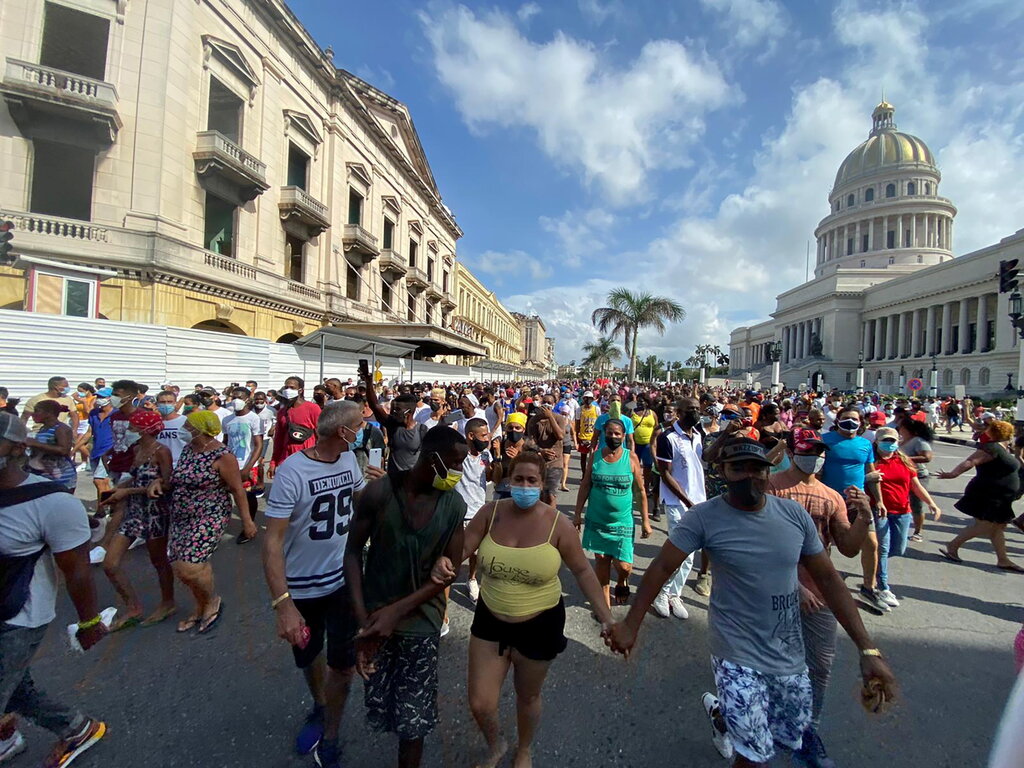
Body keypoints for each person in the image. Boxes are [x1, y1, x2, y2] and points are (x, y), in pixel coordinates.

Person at [605, 438, 898, 768]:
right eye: (738, 468)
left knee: (786, 738)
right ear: (722, 472)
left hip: (788, 656)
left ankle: (721, 715)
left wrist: (867, 649)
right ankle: (732, 716)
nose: (749, 476)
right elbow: (661, 566)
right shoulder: (704, 518)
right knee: (754, 757)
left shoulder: (793, 516)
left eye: (757, 468)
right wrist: (631, 623)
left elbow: (830, 580)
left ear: (768, 472)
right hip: (735, 655)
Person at [432, 449, 614, 768]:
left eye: (532, 480)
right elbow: (461, 549)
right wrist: (443, 562)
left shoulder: (558, 524)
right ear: (508, 480)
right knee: (480, 702)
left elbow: (583, 571)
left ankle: (524, 749)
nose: (525, 486)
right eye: (519, 479)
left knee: (527, 695)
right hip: (490, 620)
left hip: (540, 624)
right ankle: (496, 744)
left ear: (542, 484)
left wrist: (607, 617)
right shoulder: (490, 513)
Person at [263, 401, 384, 768]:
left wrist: (379, 490)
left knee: (343, 663)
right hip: (301, 587)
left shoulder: (349, 460)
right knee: (308, 654)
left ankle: (331, 733)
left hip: (343, 578)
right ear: (341, 431)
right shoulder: (292, 472)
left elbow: (356, 497)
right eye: (359, 426)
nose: (363, 430)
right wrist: (282, 604)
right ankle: (319, 704)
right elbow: (271, 542)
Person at [344, 426, 467, 768]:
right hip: (374, 622)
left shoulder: (454, 504)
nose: (459, 470)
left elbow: (450, 571)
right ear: (433, 458)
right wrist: (363, 623)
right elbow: (352, 553)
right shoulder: (380, 494)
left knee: (414, 722)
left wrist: (395, 612)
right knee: (381, 705)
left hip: (421, 625)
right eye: (456, 462)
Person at [0, 413, 108, 766]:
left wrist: (89, 622)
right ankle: (72, 729)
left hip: (18, 616)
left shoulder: (53, 503)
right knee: (14, 686)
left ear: (17, 448)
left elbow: (77, 572)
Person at [765, 428, 873, 767]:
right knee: (771, 664)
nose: (815, 455)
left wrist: (865, 517)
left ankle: (807, 733)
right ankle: (757, 723)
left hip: (821, 591)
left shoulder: (832, 496)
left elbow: (848, 547)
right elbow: (761, 543)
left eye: (819, 450)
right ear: (794, 452)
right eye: (808, 449)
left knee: (819, 666)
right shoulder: (772, 487)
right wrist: (794, 587)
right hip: (774, 589)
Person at [148, 410, 255, 634]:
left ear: (199, 430)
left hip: (209, 515)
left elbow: (237, 489)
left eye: (188, 426)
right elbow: (176, 480)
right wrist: (159, 481)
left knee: (191, 566)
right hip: (181, 515)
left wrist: (247, 521)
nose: (184, 429)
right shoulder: (189, 450)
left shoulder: (223, 456)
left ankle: (211, 601)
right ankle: (200, 604)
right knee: (179, 565)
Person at [97, 409, 176, 629]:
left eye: (133, 427)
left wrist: (128, 492)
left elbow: (167, 484)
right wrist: (119, 489)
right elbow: (135, 475)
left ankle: (168, 602)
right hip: (134, 512)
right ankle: (133, 607)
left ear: (143, 429)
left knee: (159, 561)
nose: (129, 430)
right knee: (110, 563)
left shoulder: (162, 451)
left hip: (155, 513)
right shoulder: (137, 449)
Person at [574, 418, 651, 607]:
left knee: (623, 566)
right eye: (609, 433)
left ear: (624, 436)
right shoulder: (596, 456)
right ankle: (604, 604)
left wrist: (645, 521)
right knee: (601, 559)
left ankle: (622, 581)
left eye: (617, 434)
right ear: (604, 435)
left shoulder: (631, 457)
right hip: (597, 519)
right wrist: (577, 514)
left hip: (622, 522)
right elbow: (585, 485)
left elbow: (640, 491)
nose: (613, 437)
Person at [821, 408, 887, 612]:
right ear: (838, 420)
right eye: (846, 418)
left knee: (872, 544)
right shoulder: (825, 440)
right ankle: (824, 587)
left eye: (855, 419)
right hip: (829, 501)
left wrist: (880, 501)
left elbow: (872, 474)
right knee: (824, 545)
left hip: (857, 503)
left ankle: (869, 587)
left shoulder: (865, 445)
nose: (850, 422)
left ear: (861, 423)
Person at [938, 419, 1024, 572]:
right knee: (985, 525)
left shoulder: (1002, 449)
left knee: (998, 527)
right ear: (1009, 434)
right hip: (988, 494)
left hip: (1000, 496)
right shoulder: (992, 448)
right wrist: (953, 474)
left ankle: (1003, 560)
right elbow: (970, 461)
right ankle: (953, 545)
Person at [871, 428, 942, 609]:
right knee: (884, 548)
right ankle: (883, 585)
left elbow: (916, 486)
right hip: (881, 512)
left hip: (903, 512)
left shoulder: (904, 461)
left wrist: (931, 503)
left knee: (899, 548)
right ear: (878, 441)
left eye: (893, 440)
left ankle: (875, 564)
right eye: (886, 440)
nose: (890, 443)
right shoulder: (871, 461)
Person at [652, 397, 706, 619]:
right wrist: (686, 500)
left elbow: (704, 461)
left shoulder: (698, 435)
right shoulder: (668, 438)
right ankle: (661, 594)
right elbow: (664, 473)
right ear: (680, 413)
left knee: (691, 554)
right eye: (690, 409)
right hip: (677, 503)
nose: (695, 412)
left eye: (697, 409)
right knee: (679, 552)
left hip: (698, 500)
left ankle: (675, 593)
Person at [454, 418, 495, 606]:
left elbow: (493, 476)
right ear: (471, 436)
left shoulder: (486, 455)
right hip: (458, 512)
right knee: (453, 552)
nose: (487, 438)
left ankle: (471, 579)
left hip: (478, 511)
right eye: (483, 435)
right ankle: (444, 584)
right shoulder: (458, 454)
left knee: (476, 553)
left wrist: (499, 458)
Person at [222, 387, 265, 545]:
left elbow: (258, 444)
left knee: (247, 495)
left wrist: (248, 467)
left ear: (248, 398)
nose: (235, 400)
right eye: (233, 397)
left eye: (239, 397)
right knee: (232, 494)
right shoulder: (227, 420)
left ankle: (249, 525)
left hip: (247, 463)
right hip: (230, 464)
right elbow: (225, 442)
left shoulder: (253, 418)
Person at [269, 376, 321, 479]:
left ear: (300, 390)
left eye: (292, 388)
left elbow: (321, 435)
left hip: (308, 460)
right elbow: (278, 439)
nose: (288, 390)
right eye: (286, 387)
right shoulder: (282, 412)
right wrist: (273, 462)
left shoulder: (313, 408)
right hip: (286, 459)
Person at [24, 400, 77, 492]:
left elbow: (64, 450)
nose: (33, 414)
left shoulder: (61, 428)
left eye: (37, 411)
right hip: (44, 474)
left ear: (49, 413)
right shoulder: (43, 428)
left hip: (61, 476)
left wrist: (35, 444)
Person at [898, 418, 935, 542]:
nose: (899, 429)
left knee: (917, 505)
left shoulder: (918, 441)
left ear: (908, 429)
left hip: (918, 476)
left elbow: (927, 457)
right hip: (903, 476)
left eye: (901, 427)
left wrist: (905, 459)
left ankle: (918, 532)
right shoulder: (902, 441)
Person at [525, 394, 566, 506]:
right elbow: (530, 442)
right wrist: (541, 451)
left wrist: (550, 417)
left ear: (554, 404)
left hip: (555, 463)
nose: (547, 405)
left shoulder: (559, 419)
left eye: (550, 402)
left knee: (551, 495)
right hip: (539, 462)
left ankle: (551, 521)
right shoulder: (534, 421)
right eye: (545, 402)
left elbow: (560, 436)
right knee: (540, 495)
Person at [493, 412, 527, 501]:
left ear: (523, 429)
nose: (514, 430)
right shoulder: (499, 446)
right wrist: (498, 458)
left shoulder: (529, 448)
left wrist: (517, 460)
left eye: (517, 428)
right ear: (506, 428)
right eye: (510, 428)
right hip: (501, 493)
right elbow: (496, 479)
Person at [155, 390, 189, 467]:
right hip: (158, 465)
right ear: (157, 404)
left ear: (175, 403)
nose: (166, 404)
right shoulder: (153, 422)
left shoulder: (185, 421)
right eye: (162, 402)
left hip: (180, 464)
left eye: (169, 401)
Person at [575, 391, 600, 473]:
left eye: (589, 398)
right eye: (586, 398)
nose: (588, 400)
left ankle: (591, 474)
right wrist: (577, 437)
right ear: (583, 399)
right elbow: (577, 424)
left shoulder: (596, 409)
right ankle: (584, 474)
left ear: (592, 399)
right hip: (583, 437)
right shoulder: (579, 410)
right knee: (583, 458)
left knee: (592, 458)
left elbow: (599, 422)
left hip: (593, 437)